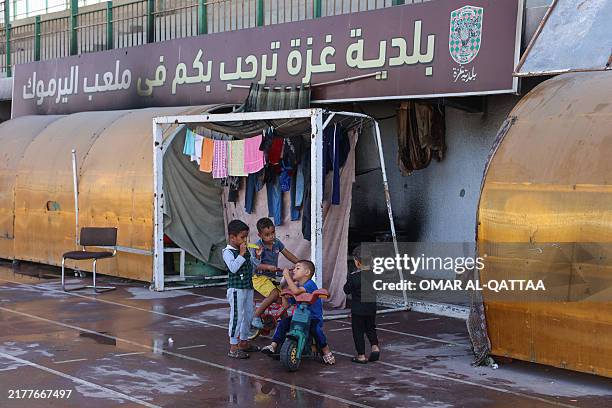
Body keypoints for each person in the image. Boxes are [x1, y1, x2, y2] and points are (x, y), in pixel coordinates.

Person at [261, 260, 335, 365]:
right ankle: (273, 345)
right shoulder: (296, 286)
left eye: (298, 268)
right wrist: (283, 289)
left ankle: (325, 349)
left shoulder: (309, 284)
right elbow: (286, 305)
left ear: (307, 272)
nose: (294, 270)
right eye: (294, 268)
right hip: (299, 317)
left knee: (315, 329)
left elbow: (296, 291)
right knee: (284, 323)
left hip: (313, 317)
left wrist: (287, 276)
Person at [251, 217, 299, 329]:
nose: (271, 236)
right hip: (259, 277)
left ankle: (285, 325)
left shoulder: (277, 243)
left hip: (271, 278)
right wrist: (268, 267)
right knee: (274, 294)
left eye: (273, 232)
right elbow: (256, 265)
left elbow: (287, 253)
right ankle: (256, 316)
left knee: (283, 301)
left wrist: (299, 262)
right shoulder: (258, 246)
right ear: (260, 235)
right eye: (267, 235)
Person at [222, 220, 260, 359]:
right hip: (236, 288)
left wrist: (258, 256)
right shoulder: (228, 252)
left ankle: (244, 342)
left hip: (247, 287)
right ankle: (233, 347)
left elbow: (253, 265)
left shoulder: (244, 251)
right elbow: (233, 268)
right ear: (232, 237)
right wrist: (242, 254)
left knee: (248, 314)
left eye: (246, 237)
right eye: (242, 237)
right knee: (237, 316)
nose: (245, 240)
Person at [343, 245, 380, 364]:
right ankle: (375, 347)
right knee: (370, 328)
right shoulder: (375, 275)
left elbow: (346, 290)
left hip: (358, 309)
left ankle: (361, 355)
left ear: (357, 262)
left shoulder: (354, 276)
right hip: (371, 307)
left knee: (358, 331)